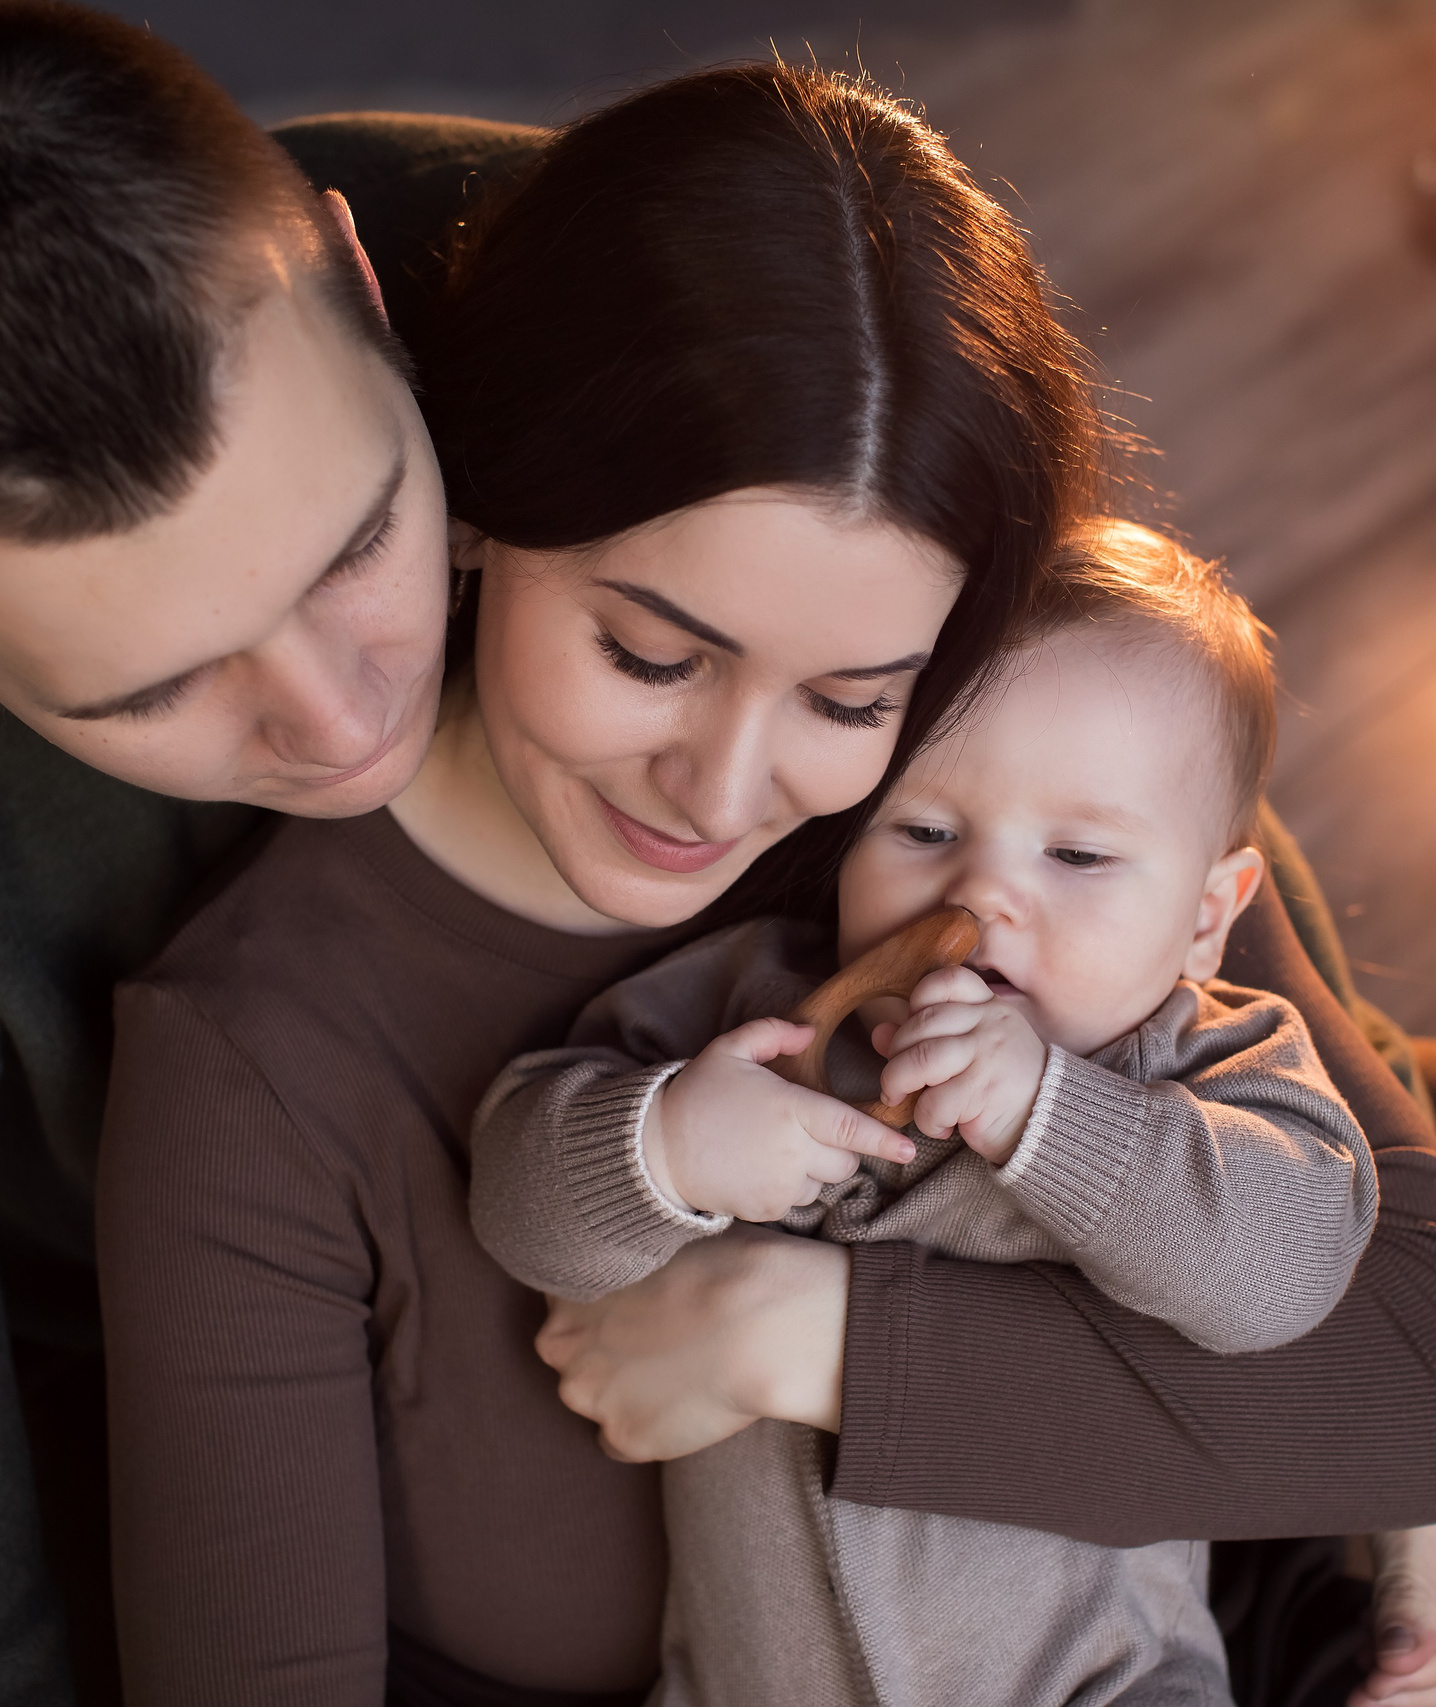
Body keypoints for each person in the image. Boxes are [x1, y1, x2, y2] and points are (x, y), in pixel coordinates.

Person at [0, 4, 1436, 1704]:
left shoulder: (626, 306)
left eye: (363, 545)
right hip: (432, 1433)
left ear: (387, 324)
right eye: (151, 686)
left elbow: (1197, 915)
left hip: (1036, 1390)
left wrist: (1391, 1383)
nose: (336, 710)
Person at [469, 519, 1379, 1706]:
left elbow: (1283, 1270)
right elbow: (518, 1199)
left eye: (1080, 856)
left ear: (1208, 915)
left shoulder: (1202, 1060)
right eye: (925, 831)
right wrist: (670, 1145)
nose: (982, 895)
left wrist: (1048, 1114)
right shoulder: (757, 1012)